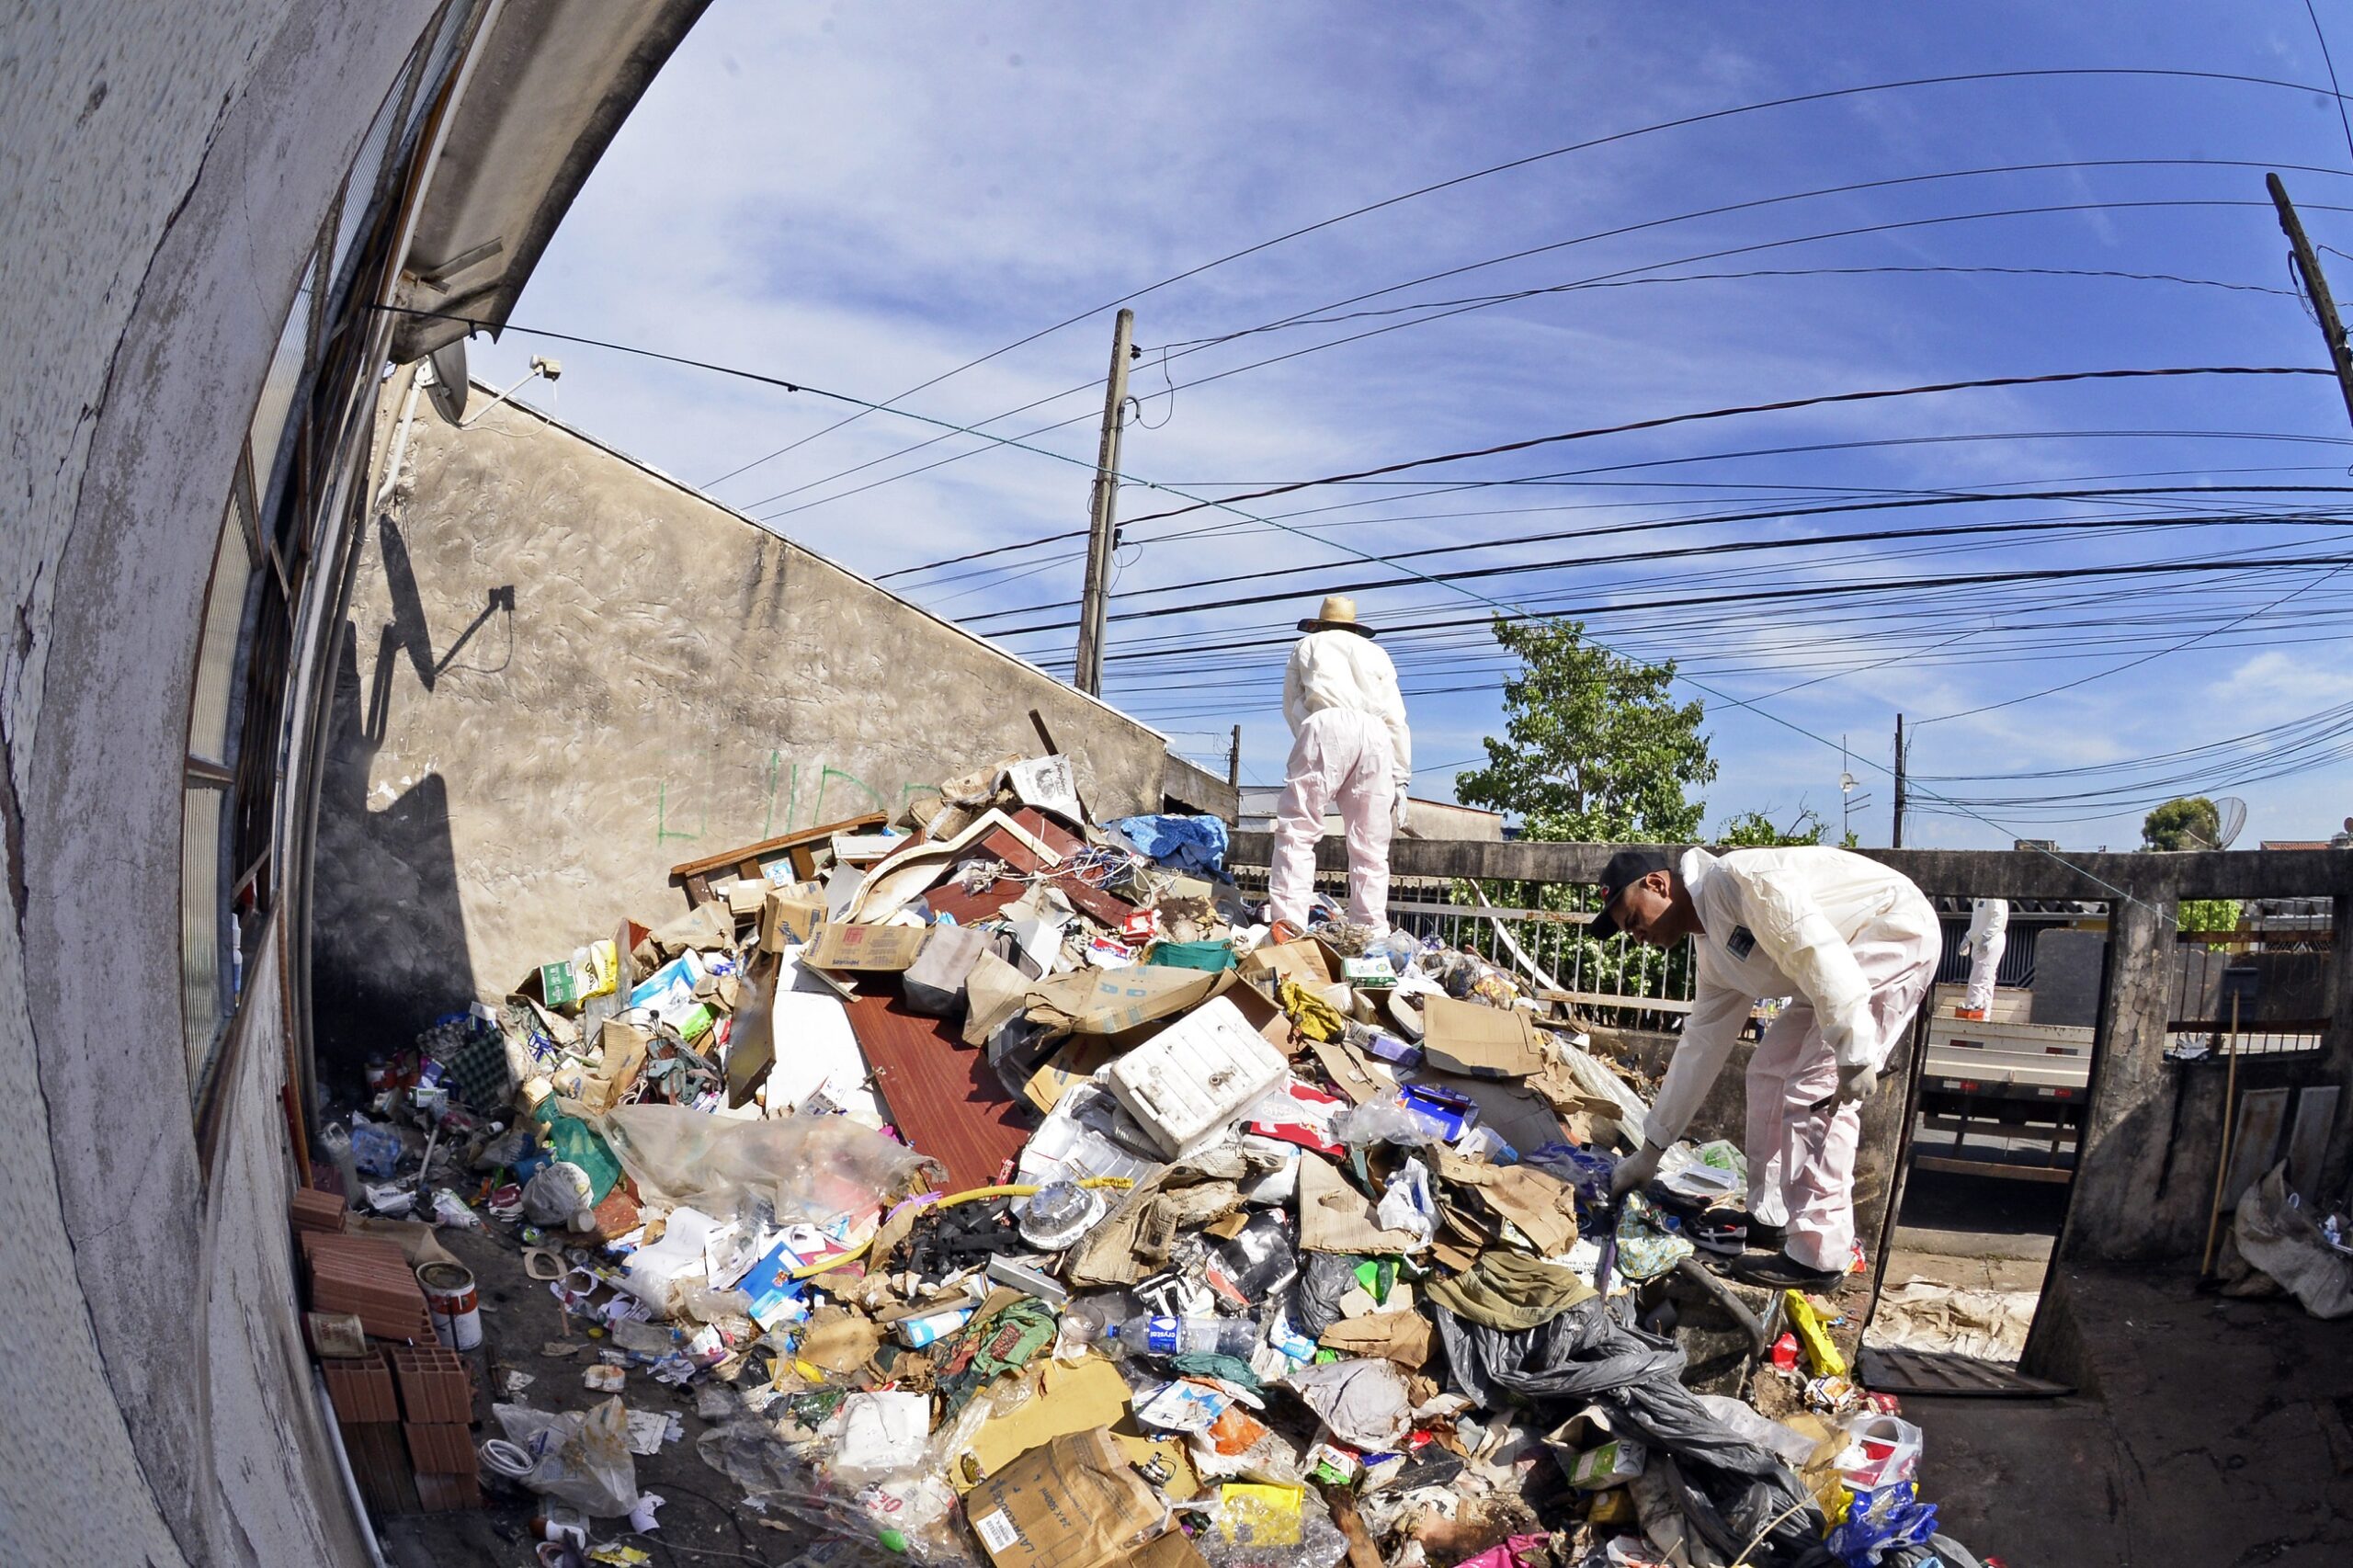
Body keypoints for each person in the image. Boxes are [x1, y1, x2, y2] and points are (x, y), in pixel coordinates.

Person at [1597, 844, 1938, 1290]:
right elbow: (1700, 1047)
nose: (1637, 936)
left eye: (1633, 921)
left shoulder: (1742, 881)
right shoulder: (1714, 953)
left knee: (1815, 1085)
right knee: (1769, 1073)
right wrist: (1652, 1150)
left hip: (1890, 932)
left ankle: (1821, 1255)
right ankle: (1770, 1215)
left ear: (1657, 885)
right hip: (1837, 963)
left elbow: (1814, 950)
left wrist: (1853, 1053)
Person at [1268, 596, 1410, 939]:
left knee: (1298, 832)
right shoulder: (1377, 654)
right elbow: (1395, 716)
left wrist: (1311, 732)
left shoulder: (1308, 644)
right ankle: (1371, 932)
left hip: (1325, 724)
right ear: (1354, 625)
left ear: (1320, 623)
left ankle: (1288, 926)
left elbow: (1291, 703)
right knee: (1371, 846)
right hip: (1376, 735)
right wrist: (1401, 776)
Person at [1956, 897, 2008, 1020]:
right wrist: (1968, 937)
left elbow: (1998, 916)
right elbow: (1978, 922)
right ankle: (1983, 1016)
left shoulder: (1994, 895)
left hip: (1991, 941)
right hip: (1980, 941)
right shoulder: (1979, 897)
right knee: (1986, 980)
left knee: (1979, 978)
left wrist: (1987, 936)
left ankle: (1973, 1009)